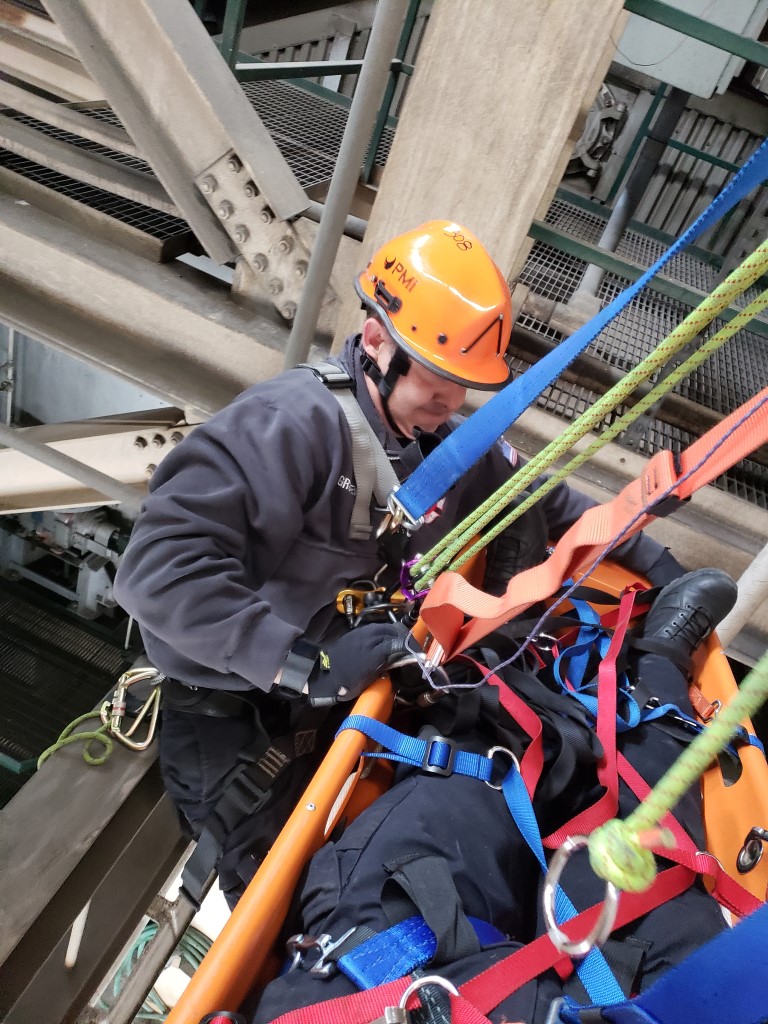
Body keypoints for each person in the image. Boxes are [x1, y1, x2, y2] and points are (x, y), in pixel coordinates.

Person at [113, 220, 686, 906]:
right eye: (438, 379)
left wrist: (660, 565)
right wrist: (302, 665)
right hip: (235, 712)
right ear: (376, 340)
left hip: (353, 681)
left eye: (463, 386)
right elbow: (159, 567)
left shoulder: (437, 442)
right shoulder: (291, 424)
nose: (453, 403)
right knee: (292, 901)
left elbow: (544, 498)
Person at [249, 568, 740, 1024]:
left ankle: (537, 693)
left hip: (383, 978)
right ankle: (657, 670)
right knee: (656, 874)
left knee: (476, 774)